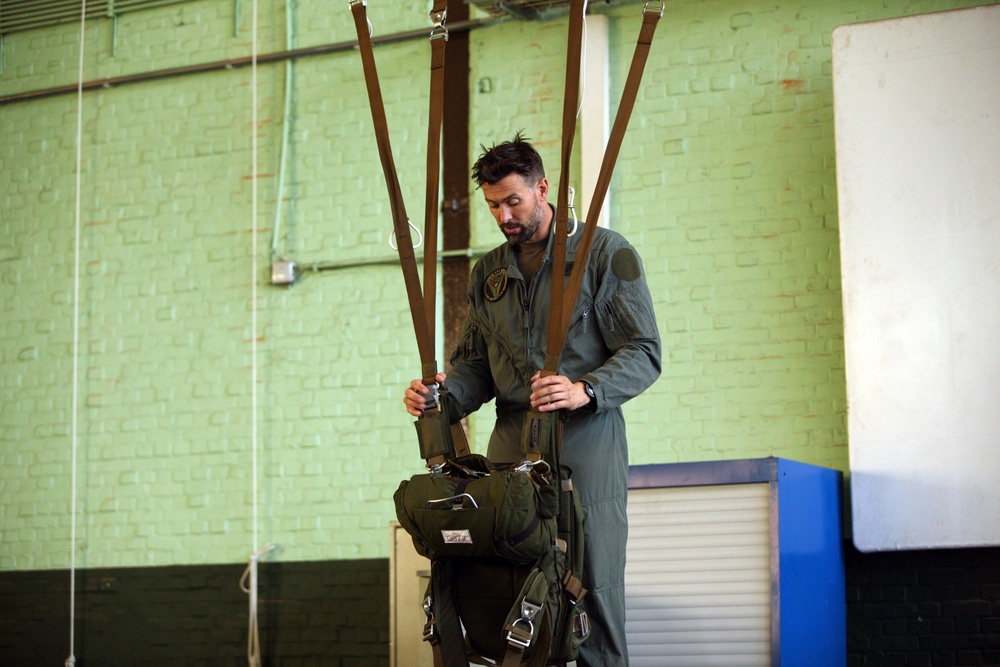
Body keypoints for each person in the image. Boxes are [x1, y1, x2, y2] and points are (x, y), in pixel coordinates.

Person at [403, 133, 661, 666]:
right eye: (493, 205)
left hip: (585, 443)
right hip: (509, 448)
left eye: (513, 201)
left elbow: (644, 351)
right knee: (508, 595)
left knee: (591, 592)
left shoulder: (605, 254)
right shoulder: (488, 274)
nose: (503, 215)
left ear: (543, 188)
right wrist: (440, 395)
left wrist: (584, 389)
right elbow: (475, 367)